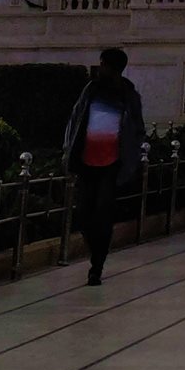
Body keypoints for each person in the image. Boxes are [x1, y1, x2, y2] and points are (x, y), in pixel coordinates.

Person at [62, 47, 144, 286]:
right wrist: (69, 150)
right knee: (84, 215)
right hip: (87, 161)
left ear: (112, 67)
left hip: (111, 164)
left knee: (103, 215)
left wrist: (130, 155)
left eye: (103, 64)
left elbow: (138, 129)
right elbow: (75, 119)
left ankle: (97, 265)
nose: (100, 68)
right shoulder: (91, 90)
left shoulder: (128, 95)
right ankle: (95, 251)